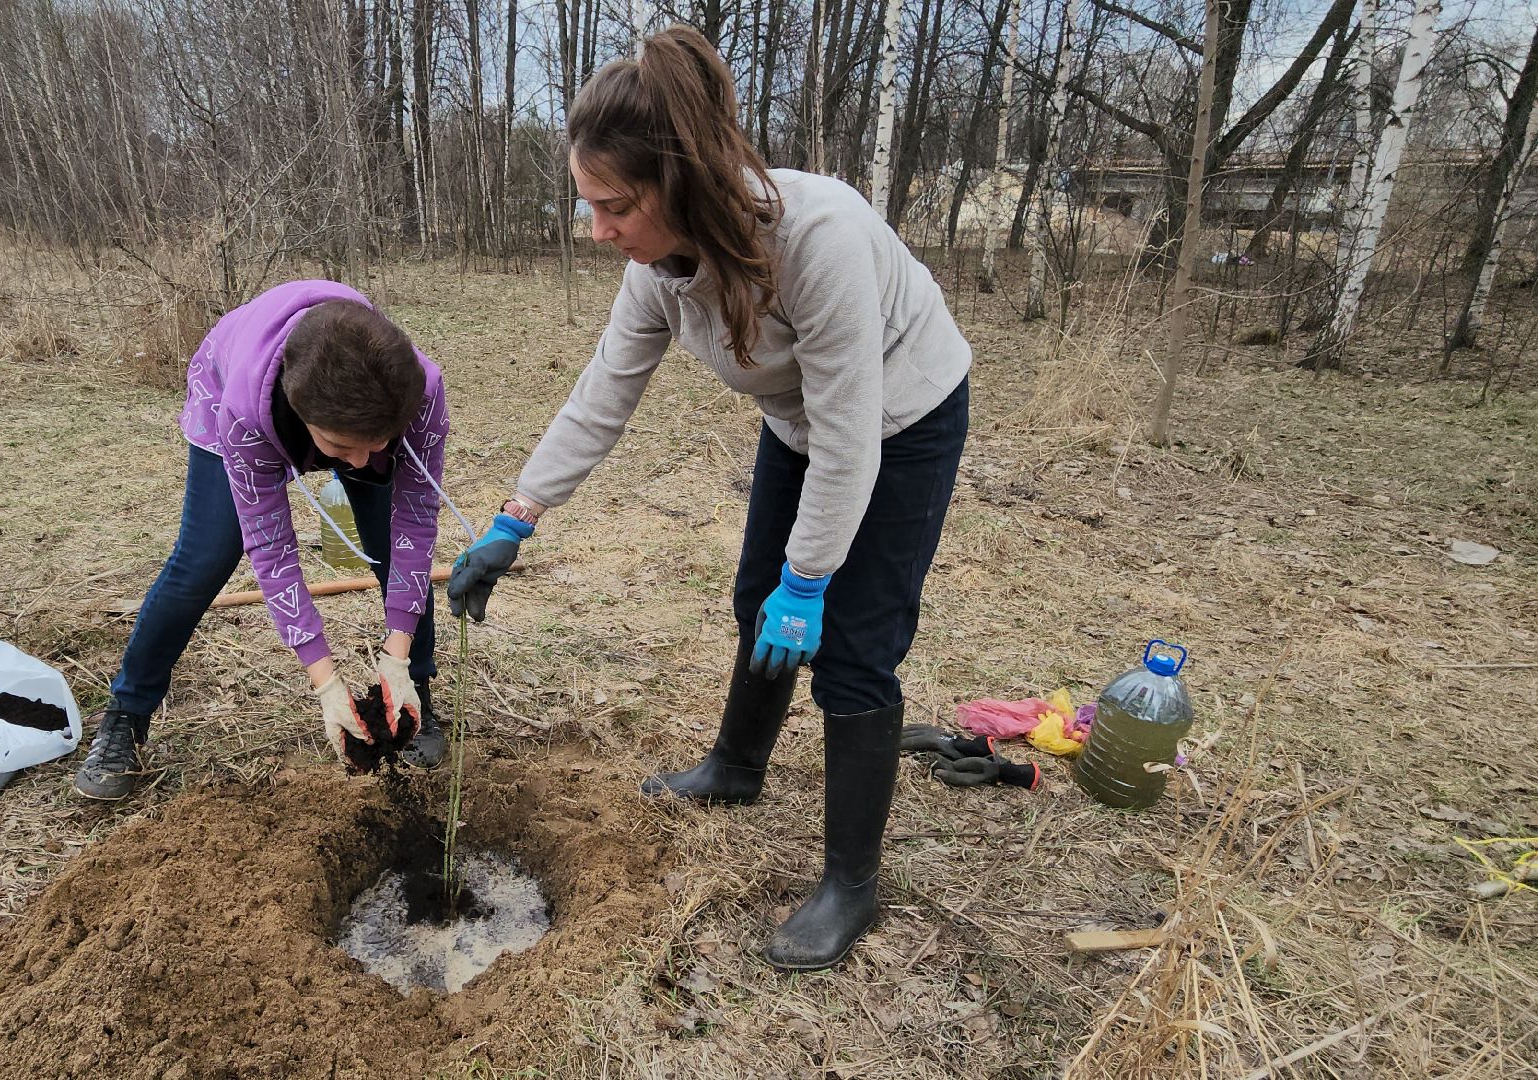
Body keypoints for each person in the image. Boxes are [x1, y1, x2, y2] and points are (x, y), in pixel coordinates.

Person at [448, 26, 970, 971]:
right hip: (799, 419)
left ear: (679, 185)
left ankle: (851, 883)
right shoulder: (657, 270)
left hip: (900, 419)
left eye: (612, 206)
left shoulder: (820, 238)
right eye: (586, 204)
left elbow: (852, 436)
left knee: (852, 648)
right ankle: (736, 765)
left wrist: (812, 577)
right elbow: (603, 393)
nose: (597, 230)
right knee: (753, 603)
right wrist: (514, 518)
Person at [76, 280, 451, 800]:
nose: (361, 463)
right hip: (234, 386)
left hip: (360, 407)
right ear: (301, 416)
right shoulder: (245, 414)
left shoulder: (419, 395)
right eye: (341, 447)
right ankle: (126, 715)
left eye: (377, 446)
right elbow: (273, 552)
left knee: (392, 547)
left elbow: (416, 528)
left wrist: (395, 655)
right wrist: (326, 683)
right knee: (204, 560)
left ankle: (411, 694)